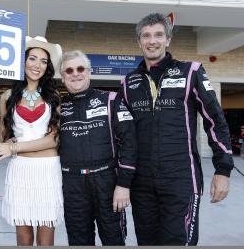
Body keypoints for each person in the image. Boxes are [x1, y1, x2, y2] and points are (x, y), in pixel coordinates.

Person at [120, 13, 234, 245]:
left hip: (181, 179)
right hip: (141, 183)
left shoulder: (191, 71)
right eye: (146, 36)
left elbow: (215, 120)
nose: (152, 41)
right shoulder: (128, 82)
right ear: (139, 41)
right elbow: (122, 135)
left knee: (178, 242)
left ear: (168, 39)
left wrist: (223, 170)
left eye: (159, 35)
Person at [0, 36, 63, 246]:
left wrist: (14, 148)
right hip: (20, 171)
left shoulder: (54, 96)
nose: (37, 65)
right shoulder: (7, 96)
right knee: (23, 238)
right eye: (32, 58)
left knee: (46, 239)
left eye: (44, 61)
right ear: (22, 61)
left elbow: (54, 139)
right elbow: (3, 138)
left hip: (48, 171)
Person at [58, 50, 137, 245]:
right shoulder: (57, 108)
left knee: (113, 240)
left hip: (107, 183)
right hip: (72, 184)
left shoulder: (111, 99)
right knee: (78, 241)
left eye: (80, 68)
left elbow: (130, 142)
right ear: (63, 77)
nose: (75, 73)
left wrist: (124, 184)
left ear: (89, 71)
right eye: (69, 70)